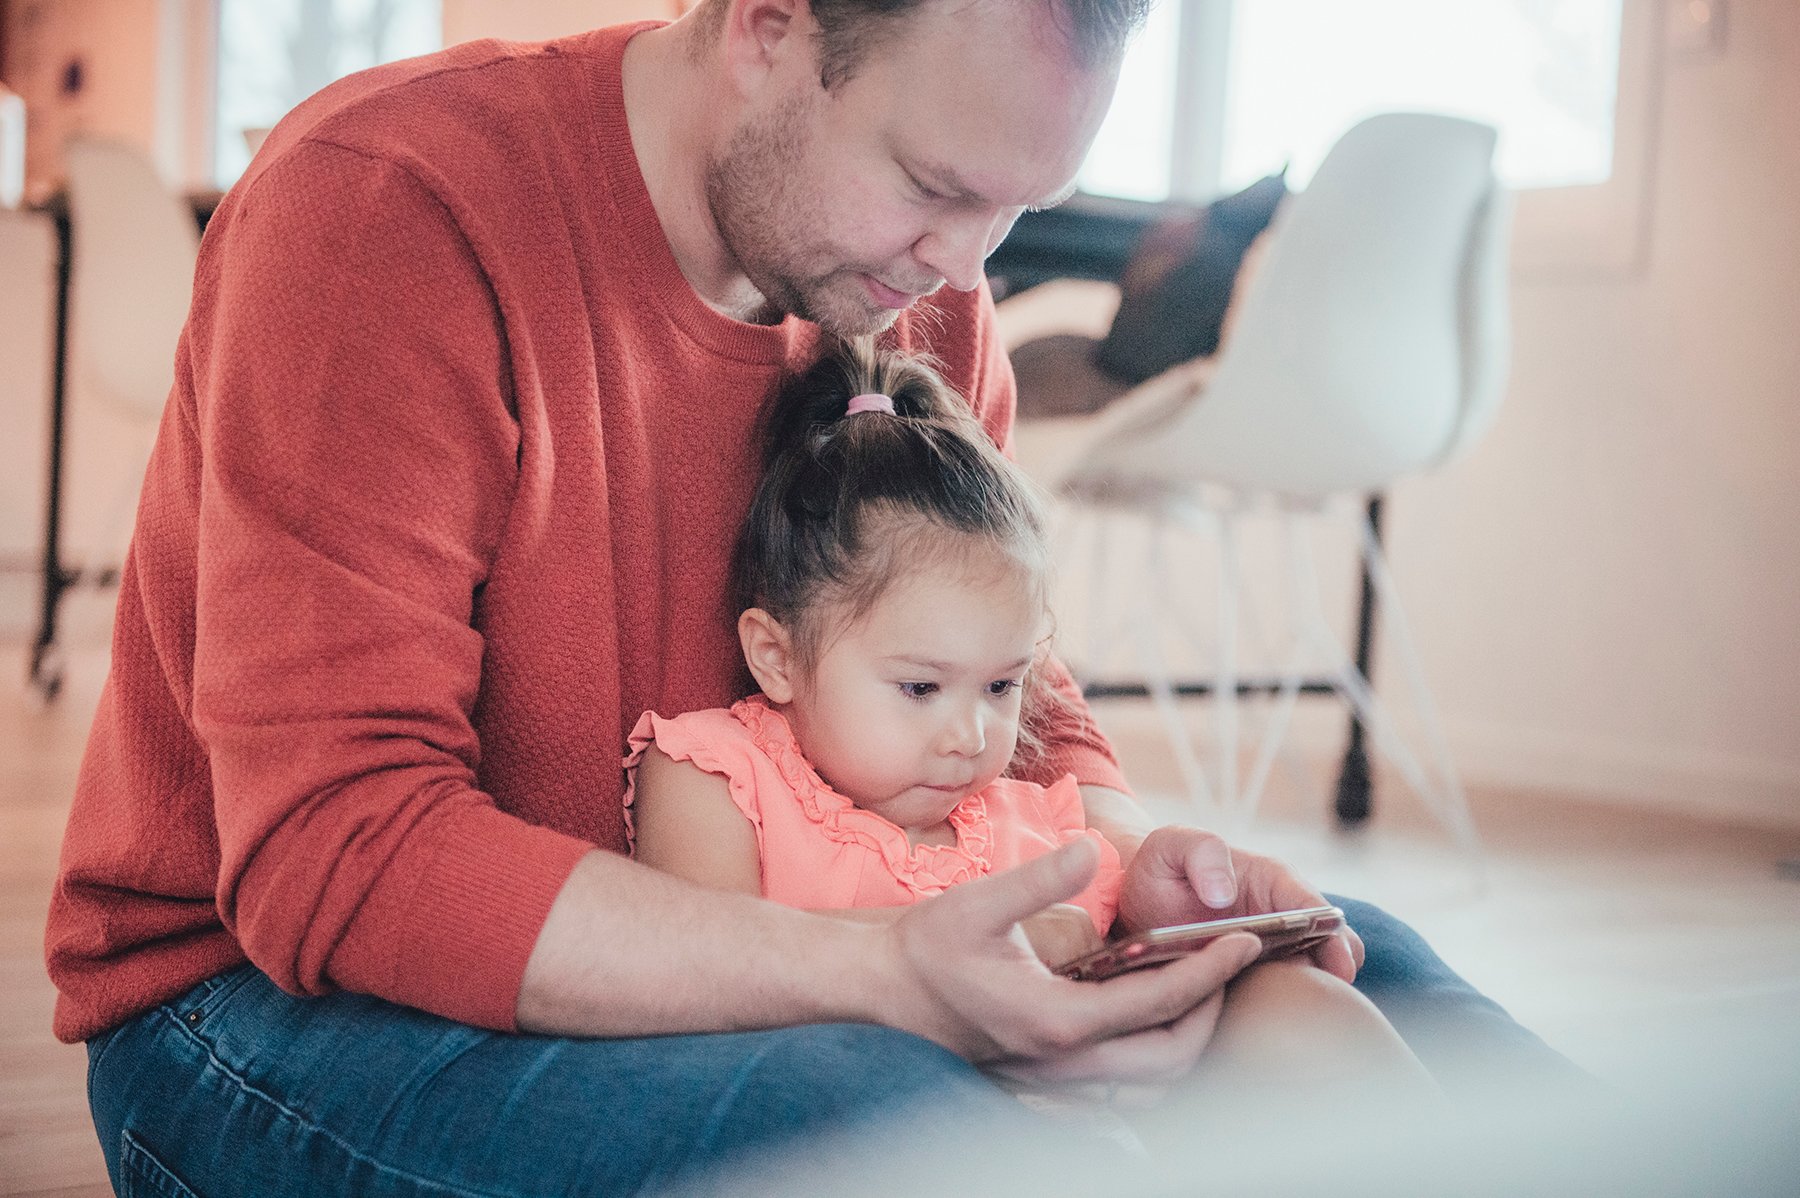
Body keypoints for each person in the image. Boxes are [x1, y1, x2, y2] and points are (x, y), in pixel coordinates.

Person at [48, 0, 1579, 1192]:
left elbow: (1018, 688)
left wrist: (1132, 866)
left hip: (803, 934)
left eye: (1017, 208)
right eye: (932, 182)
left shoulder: (922, 279)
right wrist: (888, 979)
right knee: (905, 1134)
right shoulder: (390, 205)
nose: (965, 265)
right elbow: (340, 856)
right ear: (770, 29)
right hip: (262, 1020)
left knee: (1374, 978)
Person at [628, 336, 1437, 1111]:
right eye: (919, 687)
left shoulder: (1035, 826)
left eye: (1004, 684)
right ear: (775, 655)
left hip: (1100, 1117)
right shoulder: (717, 775)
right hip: (872, 1125)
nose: (973, 737)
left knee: (1303, 999)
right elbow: (705, 978)